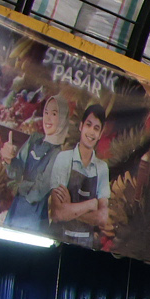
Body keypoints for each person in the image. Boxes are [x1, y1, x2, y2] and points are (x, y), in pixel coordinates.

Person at [0, 92, 67, 232]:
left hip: (34, 215)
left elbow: (40, 190)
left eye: (54, 114)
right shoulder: (34, 139)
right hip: (17, 207)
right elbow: (16, 172)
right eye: (46, 112)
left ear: (62, 118)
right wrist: (10, 159)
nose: (48, 118)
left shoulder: (59, 154)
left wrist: (21, 186)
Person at [47, 104, 112, 249]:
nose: (91, 132)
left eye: (96, 128)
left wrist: (69, 208)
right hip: (58, 242)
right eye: (88, 125)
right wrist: (89, 205)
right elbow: (57, 213)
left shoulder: (102, 168)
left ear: (100, 134)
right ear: (81, 126)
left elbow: (102, 218)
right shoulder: (64, 159)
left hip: (85, 246)